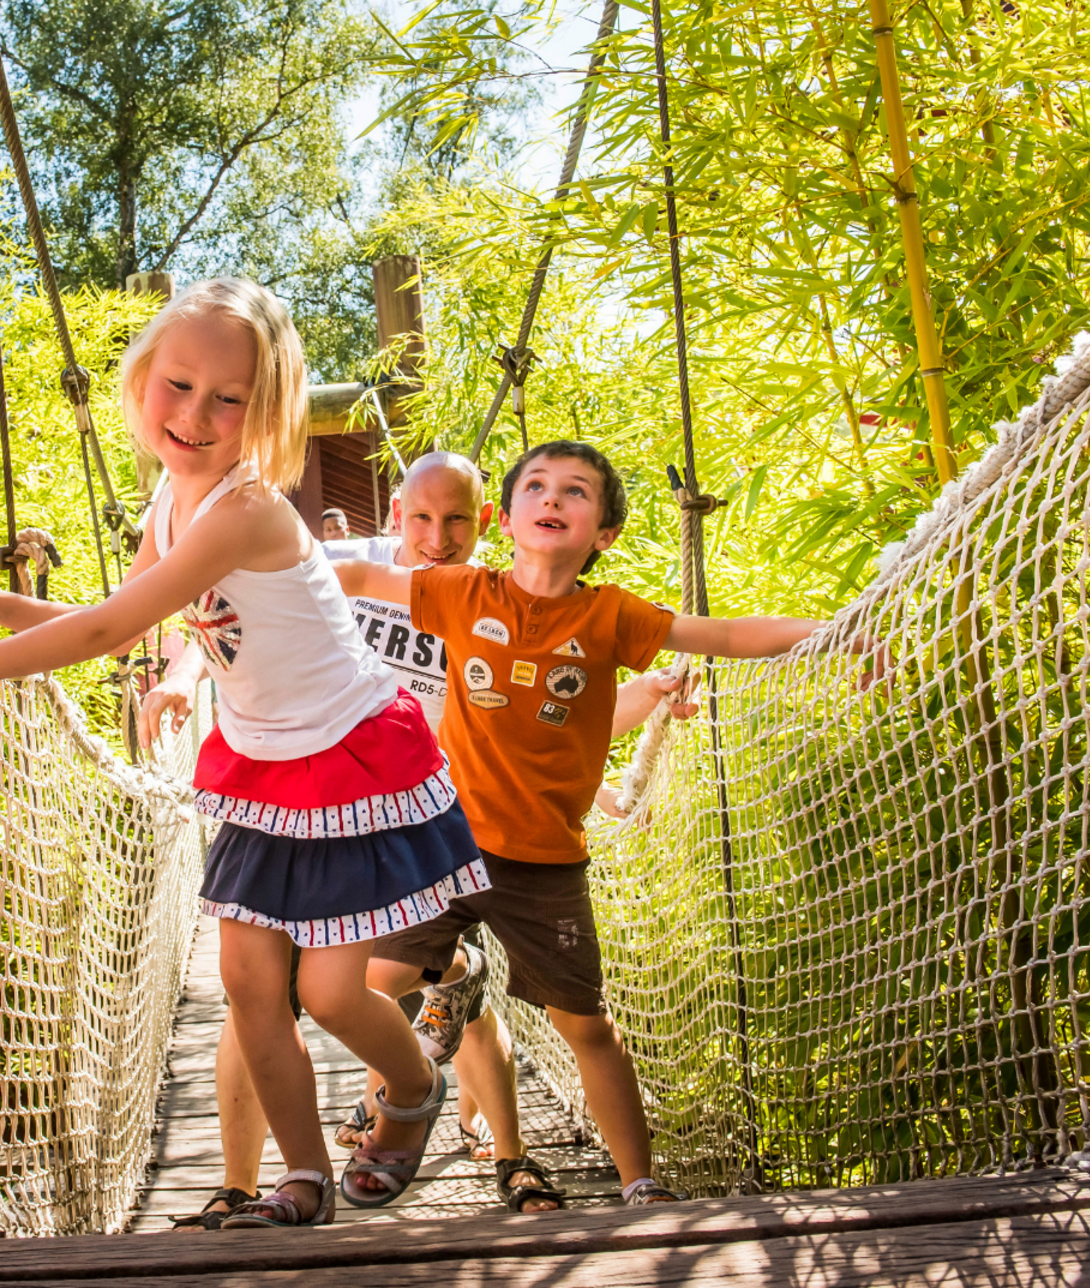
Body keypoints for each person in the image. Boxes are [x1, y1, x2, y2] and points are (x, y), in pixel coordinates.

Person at [0, 278, 483, 1228]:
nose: (195, 416)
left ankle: (412, 1092)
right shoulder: (171, 496)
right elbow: (124, 621)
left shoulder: (248, 514)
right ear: (138, 383)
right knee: (252, 984)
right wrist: (4, 609)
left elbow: (102, 634)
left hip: (347, 757)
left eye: (228, 398)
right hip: (261, 764)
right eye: (177, 385)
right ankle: (302, 1179)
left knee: (330, 995)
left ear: (268, 414)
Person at [147, 450, 690, 1221]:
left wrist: (654, 695)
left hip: (421, 814)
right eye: (423, 518)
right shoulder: (343, 566)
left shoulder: (476, 600)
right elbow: (220, 595)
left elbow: (561, 697)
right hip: (300, 793)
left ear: (486, 526)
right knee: (264, 990)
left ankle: (502, 1148)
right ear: (395, 512)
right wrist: (181, 675)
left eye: (459, 522)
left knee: (389, 992)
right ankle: (246, 1180)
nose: (438, 538)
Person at [335, 439, 841, 1207]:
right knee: (370, 982)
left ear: (602, 533)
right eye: (536, 486)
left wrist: (841, 630)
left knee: (588, 1027)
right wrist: (247, 574)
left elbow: (730, 636)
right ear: (505, 519)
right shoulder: (465, 592)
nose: (553, 498)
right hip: (450, 844)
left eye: (576, 492)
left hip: (545, 864)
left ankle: (641, 1182)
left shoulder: (610, 618)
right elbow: (359, 575)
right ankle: (409, 1093)